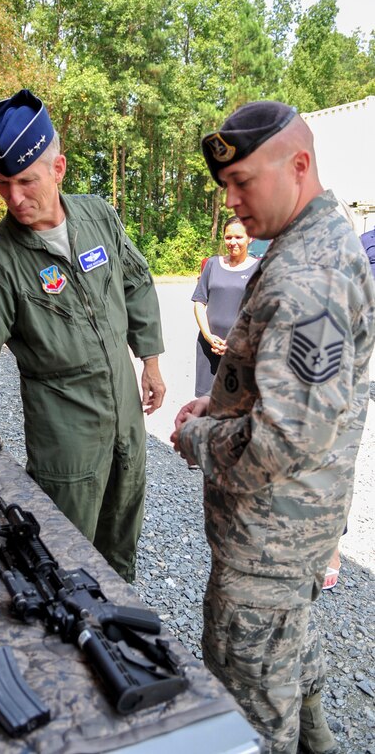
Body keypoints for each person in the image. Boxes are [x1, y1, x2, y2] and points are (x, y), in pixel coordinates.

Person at [171, 101, 375, 753]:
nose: (230, 200)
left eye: (243, 182)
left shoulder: (307, 275)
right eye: (225, 186)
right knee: (296, 671)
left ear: (299, 165)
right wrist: (220, 406)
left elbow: (283, 440)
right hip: (294, 541)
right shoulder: (307, 243)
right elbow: (284, 392)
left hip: (268, 549)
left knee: (249, 720)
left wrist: (198, 437)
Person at [0, 89, 166, 582]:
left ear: (58, 169)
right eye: (2, 183)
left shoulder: (99, 216)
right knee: (65, 557)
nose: (14, 198)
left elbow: (136, 280)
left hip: (125, 417)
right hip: (66, 436)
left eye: (26, 181)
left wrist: (151, 360)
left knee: (120, 547)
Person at [192, 216, 258, 397]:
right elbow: (199, 302)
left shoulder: (259, 269)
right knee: (206, 404)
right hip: (209, 347)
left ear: (250, 237)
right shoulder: (212, 264)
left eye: (239, 237)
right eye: (229, 237)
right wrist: (208, 336)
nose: (233, 242)